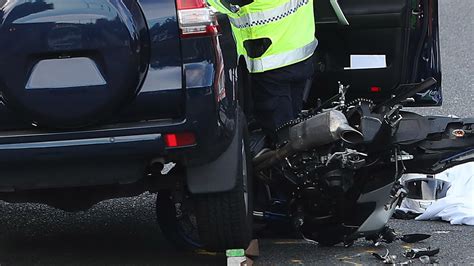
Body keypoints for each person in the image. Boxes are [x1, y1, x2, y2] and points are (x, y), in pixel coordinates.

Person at [207, 0, 317, 142]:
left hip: (272, 59)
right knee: (293, 123)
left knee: (282, 136)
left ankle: (285, 159)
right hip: (299, 50)